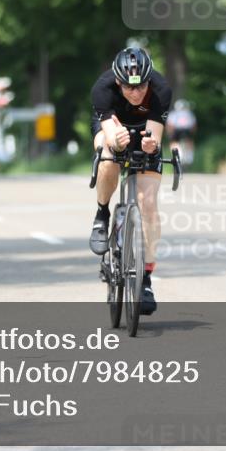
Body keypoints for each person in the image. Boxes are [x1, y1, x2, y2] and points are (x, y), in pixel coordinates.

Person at [88, 47, 172, 315]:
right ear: (117, 82)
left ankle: (145, 280)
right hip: (113, 130)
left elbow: (156, 137)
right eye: (128, 88)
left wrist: (151, 146)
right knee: (108, 154)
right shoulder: (102, 89)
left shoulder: (161, 90)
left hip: (144, 129)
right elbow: (111, 136)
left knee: (148, 202)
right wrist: (117, 141)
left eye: (141, 87)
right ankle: (102, 213)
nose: (135, 93)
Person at [166, 99, 197, 166]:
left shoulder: (173, 113)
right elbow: (194, 125)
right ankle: (190, 156)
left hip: (177, 130)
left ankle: (178, 153)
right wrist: (192, 134)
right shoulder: (189, 113)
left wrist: (170, 133)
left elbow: (170, 125)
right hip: (187, 129)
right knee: (189, 140)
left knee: (173, 142)